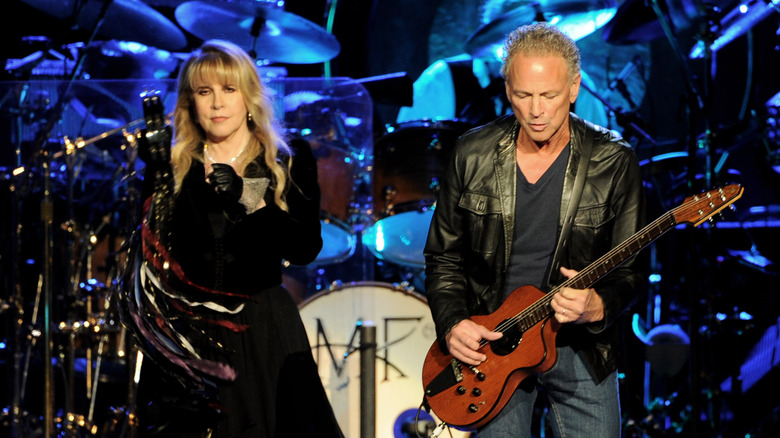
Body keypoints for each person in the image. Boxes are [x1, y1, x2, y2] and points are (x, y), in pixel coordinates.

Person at [423, 22, 646, 437]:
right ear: (508, 89)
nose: (536, 110)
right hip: (494, 348)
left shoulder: (614, 160)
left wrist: (597, 305)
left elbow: (631, 272)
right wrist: (453, 323)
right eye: (524, 95)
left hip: (580, 348)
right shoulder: (471, 153)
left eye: (549, 95)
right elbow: (443, 257)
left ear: (574, 88)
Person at [121, 39, 344, 437]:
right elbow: (154, 257)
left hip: (263, 329)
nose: (217, 104)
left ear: (249, 97)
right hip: (192, 332)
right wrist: (153, 178)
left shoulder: (284, 159)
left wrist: (248, 198)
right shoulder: (177, 164)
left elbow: (305, 247)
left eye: (229, 89)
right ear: (190, 101)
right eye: (205, 92)